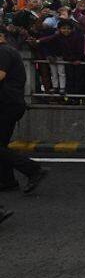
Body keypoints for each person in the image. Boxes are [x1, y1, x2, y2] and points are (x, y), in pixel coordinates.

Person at [0, 25, 49, 193]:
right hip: (9, 104)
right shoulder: (7, 51)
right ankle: (7, 181)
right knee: (1, 146)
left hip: (7, 105)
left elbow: (0, 76)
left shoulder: (3, 51)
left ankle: (32, 169)